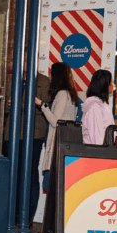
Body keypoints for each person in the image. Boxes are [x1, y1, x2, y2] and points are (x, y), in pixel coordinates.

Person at [3, 52, 51, 227]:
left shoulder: (44, 82)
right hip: (12, 134)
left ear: (36, 61)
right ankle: (12, 214)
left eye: (28, 58)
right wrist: (7, 106)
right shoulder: (11, 79)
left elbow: (42, 108)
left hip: (33, 135)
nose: (25, 62)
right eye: (23, 59)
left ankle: (28, 217)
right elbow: (6, 109)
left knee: (30, 175)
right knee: (13, 174)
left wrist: (17, 102)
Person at [39, 62, 78, 192]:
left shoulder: (62, 94)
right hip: (64, 145)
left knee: (49, 185)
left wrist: (42, 106)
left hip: (57, 146)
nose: (49, 77)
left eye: (51, 74)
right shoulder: (71, 94)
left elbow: (56, 121)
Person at [81, 69, 115, 145]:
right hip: (95, 153)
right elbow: (97, 138)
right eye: (111, 82)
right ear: (104, 85)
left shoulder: (102, 104)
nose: (113, 85)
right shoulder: (94, 107)